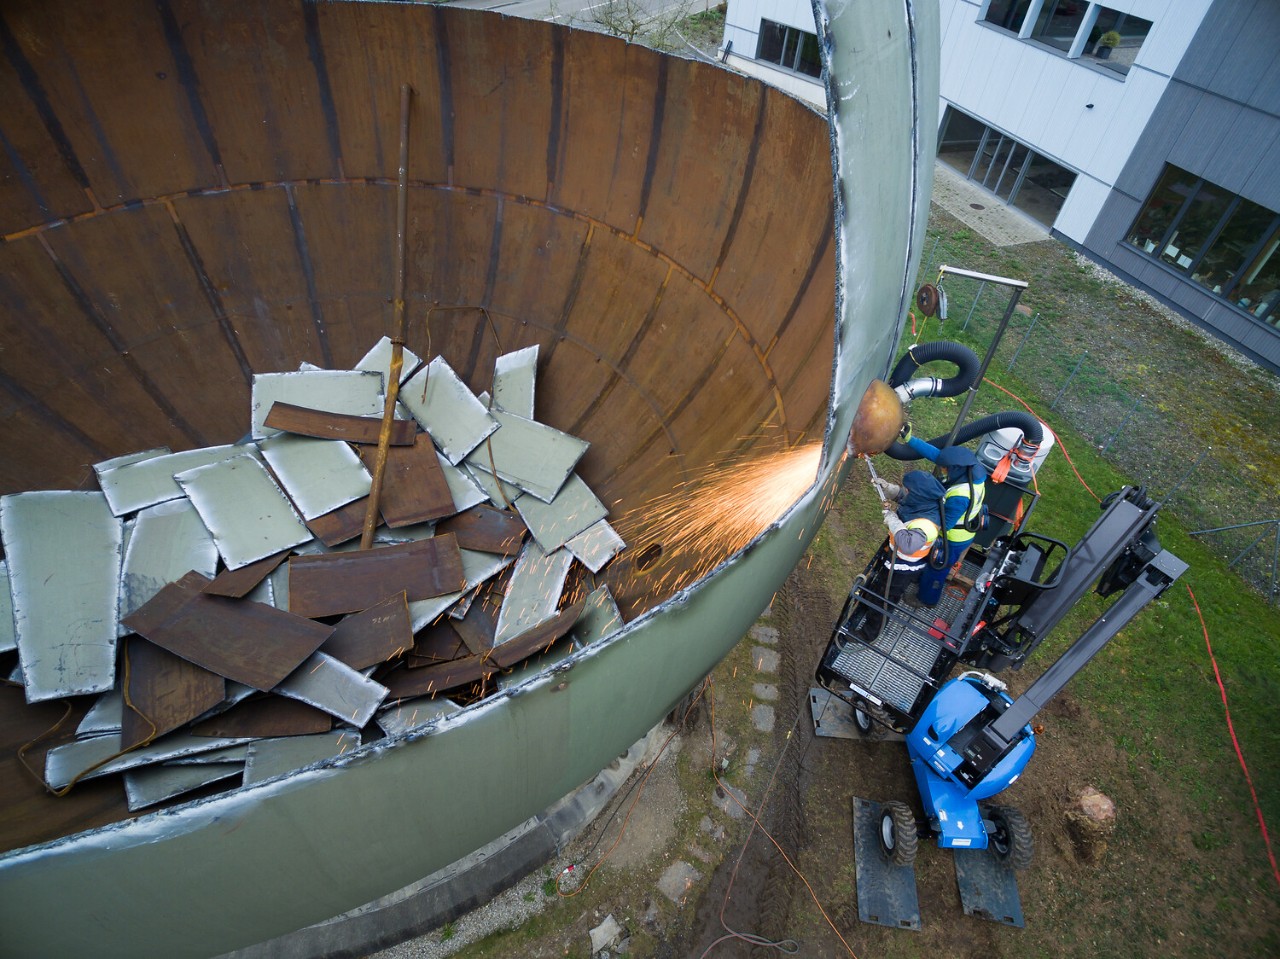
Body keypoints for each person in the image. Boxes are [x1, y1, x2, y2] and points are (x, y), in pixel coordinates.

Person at [857, 469, 945, 637]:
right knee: (878, 586)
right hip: (893, 560)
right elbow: (904, 497)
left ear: (919, 495)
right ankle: (866, 603)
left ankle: (868, 634)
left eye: (909, 490)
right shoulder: (924, 503)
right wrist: (887, 488)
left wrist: (892, 520)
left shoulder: (926, 525)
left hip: (902, 569)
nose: (906, 491)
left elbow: (907, 545)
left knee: (884, 601)